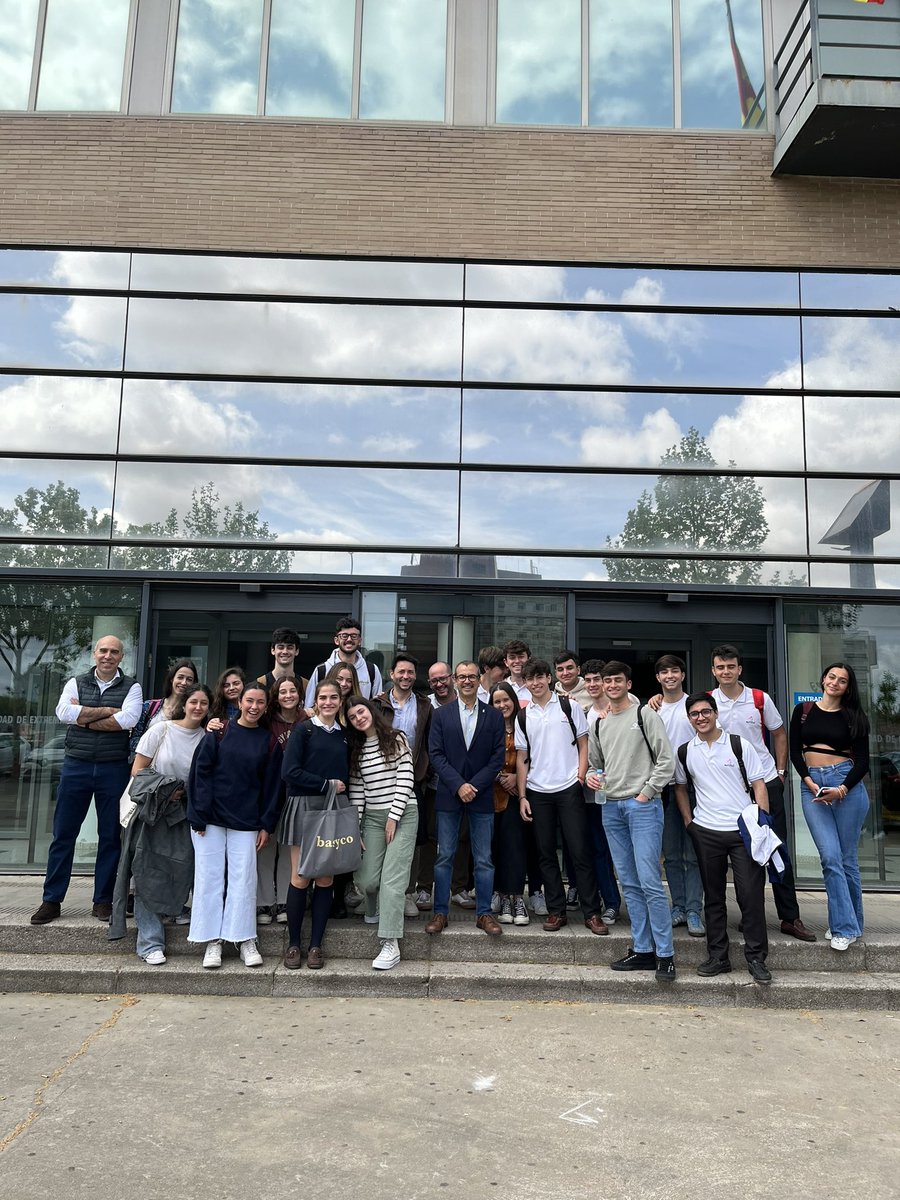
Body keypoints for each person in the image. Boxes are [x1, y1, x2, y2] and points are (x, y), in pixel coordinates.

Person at [31, 635, 143, 926]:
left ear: (122, 657)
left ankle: (102, 901)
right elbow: (63, 712)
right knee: (63, 835)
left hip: (113, 768)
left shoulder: (132, 686)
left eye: (114, 652)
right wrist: (107, 712)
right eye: (103, 650)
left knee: (110, 837)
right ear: (95, 653)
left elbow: (129, 720)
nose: (108, 656)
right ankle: (51, 900)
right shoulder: (75, 681)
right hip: (76, 766)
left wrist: (82, 716)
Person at [709, 644, 816, 943]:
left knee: (775, 847)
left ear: (739, 669)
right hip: (732, 790)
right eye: (720, 667)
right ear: (713, 670)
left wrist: (780, 773)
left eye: (730, 666)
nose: (726, 671)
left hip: (766, 781)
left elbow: (779, 733)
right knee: (745, 853)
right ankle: (751, 915)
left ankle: (789, 917)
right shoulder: (708, 702)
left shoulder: (759, 698)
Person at [674, 692, 773, 984]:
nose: (701, 718)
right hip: (706, 831)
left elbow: (759, 784)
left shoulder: (738, 744)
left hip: (743, 830)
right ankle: (718, 956)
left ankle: (756, 958)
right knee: (713, 898)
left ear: (715, 713)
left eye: (706, 712)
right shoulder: (685, 751)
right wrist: (689, 822)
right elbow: (680, 787)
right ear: (689, 718)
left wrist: (761, 821)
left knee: (750, 896)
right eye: (694, 714)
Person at [587, 661, 676, 981]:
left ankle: (665, 954)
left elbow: (666, 761)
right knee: (629, 883)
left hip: (642, 807)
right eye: (606, 680)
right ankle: (643, 949)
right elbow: (596, 765)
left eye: (617, 680)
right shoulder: (599, 723)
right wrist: (593, 778)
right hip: (611, 809)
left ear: (628, 683)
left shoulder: (645, 715)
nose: (611, 685)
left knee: (650, 881)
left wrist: (647, 793)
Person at [187, 683, 283, 969]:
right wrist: (199, 814)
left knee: (244, 881)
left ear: (267, 707)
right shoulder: (217, 733)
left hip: (247, 822)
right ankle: (212, 941)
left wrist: (267, 824)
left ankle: (244, 938)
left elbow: (272, 788)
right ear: (239, 702)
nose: (254, 707)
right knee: (208, 879)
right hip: (211, 821)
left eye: (260, 702)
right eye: (249, 701)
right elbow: (199, 775)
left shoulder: (269, 741)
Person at [116, 682, 212, 964]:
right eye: (193, 702)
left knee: (184, 868)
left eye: (204, 703)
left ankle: (179, 910)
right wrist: (169, 788)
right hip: (153, 813)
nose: (198, 707)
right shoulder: (160, 731)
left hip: (187, 813)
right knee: (148, 873)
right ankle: (149, 943)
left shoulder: (207, 737)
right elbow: (138, 771)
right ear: (184, 703)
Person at [515, 657, 607, 937]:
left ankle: (592, 913)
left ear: (549, 679)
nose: (536, 683)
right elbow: (522, 758)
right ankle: (556, 911)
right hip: (537, 790)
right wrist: (522, 796)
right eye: (530, 679)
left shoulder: (569, 706)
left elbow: (583, 742)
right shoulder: (523, 714)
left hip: (569, 787)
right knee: (545, 854)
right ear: (526, 682)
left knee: (580, 851)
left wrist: (580, 777)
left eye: (540, 677)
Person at [790, 662, 870, 952]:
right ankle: (848, 924)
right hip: (812, 787)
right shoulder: (804, 711)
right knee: (830, 857)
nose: (835, 682)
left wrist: (841, 789)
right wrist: (809, 781)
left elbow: (863, 761)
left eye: (843, 680)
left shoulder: (855, 717)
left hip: (845, 786)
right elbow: (796, 751)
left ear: (848, 687)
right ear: (823, 678)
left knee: (846, 860)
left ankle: (846, 926)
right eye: (831, 676)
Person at [426, 661, 505, 937]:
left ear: (478, 679)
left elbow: (498, 758)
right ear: (454, 681)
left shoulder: (493, 716)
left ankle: (484, 914)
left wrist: (474, 785)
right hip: (450, 795)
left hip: (482, 797)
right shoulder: (441, 715)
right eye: (462, 677)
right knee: (444, 856)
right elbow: (435, 754)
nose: (468, 681)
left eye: (472, 676)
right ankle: (440, 912)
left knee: (484, 858)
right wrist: (460, 785)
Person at [280, 679, 351, 969]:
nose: (328, 702)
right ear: (316, 700)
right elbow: (290, 771)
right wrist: (326, 784)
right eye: (323, 697)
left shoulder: (345, 735)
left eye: (333, 697)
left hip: (333, 811)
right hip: (304, 807)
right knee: (300, 877)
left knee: (325, 878)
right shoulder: (304, 730)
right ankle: (294, 944)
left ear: (340, 701)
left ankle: (315, 946)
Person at [347, 697, 418, 970]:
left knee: (392, 881)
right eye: (352, 717)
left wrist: (394, 816)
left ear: (371, 711)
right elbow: (357, 792)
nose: (358, 718)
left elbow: (406, 778)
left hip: (403, 814)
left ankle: (390, 942)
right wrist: (357, 826)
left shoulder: (396, 738)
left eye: (361, 712)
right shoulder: (357, 749)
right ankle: (374, 908)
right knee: (367, 882)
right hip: (373, 819)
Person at [376, 653, 432, 919]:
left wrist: (422, 770)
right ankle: (377, 893)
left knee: (412, 839)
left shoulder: (424, 705)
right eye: (401, 672)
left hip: (412, 780)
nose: (406, 676)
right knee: (381, 837)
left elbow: (430, 742)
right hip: (380, 779)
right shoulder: (378, 704)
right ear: (392, 674)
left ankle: (407, 892)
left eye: (410, 672)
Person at [654, 654, 705, 938]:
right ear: (658, 678)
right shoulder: (653, 709)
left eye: (675, 671)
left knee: (693, 853)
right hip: (662, 788)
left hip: (695, 787)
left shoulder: (693, 707)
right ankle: (679, 907)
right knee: (671, 854)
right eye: (664, 672)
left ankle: (695, 910)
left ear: (682, 675)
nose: (670, 676)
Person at [573, 659, 621, 925]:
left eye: (597, 680)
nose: (592, 685)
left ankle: (622, 900)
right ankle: (610, 901)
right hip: (593, 794)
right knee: (598, 850)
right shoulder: (585, 712)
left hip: (622, 792)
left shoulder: (627, 707)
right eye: (588, 680)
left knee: (620, 851)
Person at [256, 675, 303, 925]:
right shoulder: (266, 721)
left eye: (292, 691)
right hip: (269, 791)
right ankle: (264, 902)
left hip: (297, 794)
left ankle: (285, 900)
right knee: (266, 846)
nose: (288, 695)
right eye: (282, 691)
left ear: (299, 694)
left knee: (289, 849)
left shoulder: (308, 720)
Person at [490, 682, 530, 926]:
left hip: (519, 795)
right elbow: (479, 756)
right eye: (497, 701)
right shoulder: (488, 727)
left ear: (514, 701)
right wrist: (500, 777)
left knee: (515, 847)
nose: (502, 705)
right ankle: (502, 896)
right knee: (494, 848)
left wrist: (517, 776)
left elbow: (536, 755)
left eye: (506, 700)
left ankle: (517, 897)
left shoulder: (525, 724)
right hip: (491, 796)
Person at [305, 616, 382, 706]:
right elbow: (309, 706)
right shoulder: (322, 670)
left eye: (354, 636)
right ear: (336, 640)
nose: (349, 640)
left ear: (360, 641)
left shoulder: (371, 670)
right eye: (344, 636)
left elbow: (377, 706)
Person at [128, 658, 198, 755]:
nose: (184, 682)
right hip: (146, 766)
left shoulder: (193, 712)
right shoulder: (149, 706)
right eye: (180, 677)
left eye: (189, 679)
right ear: (172, 679)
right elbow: (133, 741)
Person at [257, 626, 309, 699]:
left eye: (290, 647)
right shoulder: (260, 683)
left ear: (297, 651)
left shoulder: (306, 685)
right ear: (273, 650)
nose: (285, 651)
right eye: (280, 647)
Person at [503, 639, 532, 705]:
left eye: (521, 657)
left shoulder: (537, 686)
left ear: (529, 659)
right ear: (506, 662)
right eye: (512, 658)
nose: (517, 661)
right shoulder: (499, 688)